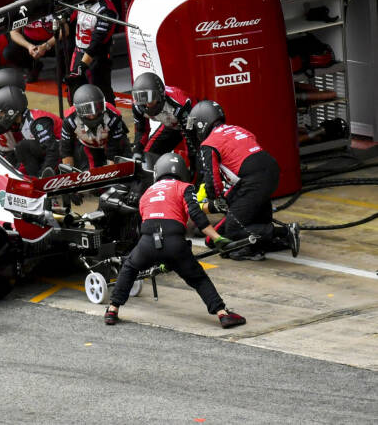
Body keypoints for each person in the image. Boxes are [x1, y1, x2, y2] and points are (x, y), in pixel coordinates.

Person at [104, 152, 246, 329]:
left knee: (130, 267)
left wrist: (158, 257)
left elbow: (143, 224)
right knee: (198, 278)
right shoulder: (184, 187)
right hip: (175, 243)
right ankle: (223, 314)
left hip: (147, 241)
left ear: (158, 172)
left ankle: (112, 310)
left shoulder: (148, 192)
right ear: (182, 171)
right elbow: (196, 215)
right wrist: (216, 237)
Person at [189, 100, 300, 261]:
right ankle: (269, 242)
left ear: (201, 124)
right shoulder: (238, 129)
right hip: (270, 171)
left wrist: (217, 201)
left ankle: (285, 232)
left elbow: (213, 182)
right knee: (214, 240)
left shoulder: (208, 144)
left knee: (233, 230)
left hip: (252, 181)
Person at [63, 0, 118, 103]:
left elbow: (96, 43)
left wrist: (82, 65)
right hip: (78, 51)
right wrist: (62, 18)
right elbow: (69, 14)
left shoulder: (106, 11)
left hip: (97, 57)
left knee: (101, 93)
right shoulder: (81, 1)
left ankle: (112, 121)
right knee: (73, 90)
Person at [3, 0, 61, 81]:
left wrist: (46, 45)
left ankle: (63, 70)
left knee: (68, 44)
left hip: (51, 42)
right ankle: (32, 67)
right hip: (31, 44)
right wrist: (29, 46)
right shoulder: (18, 7)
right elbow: (14, 33)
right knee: (9, 52)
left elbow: (64, 30)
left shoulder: (51, 3)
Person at [60, 84, 131, 170]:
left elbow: (114, 147)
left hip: (113, 144)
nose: (93, 115)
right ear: (78, 110)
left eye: (97, 107)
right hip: (87, 146)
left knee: (124, 169)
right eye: (87, 109)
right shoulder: (69, 120)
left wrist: (111, 171)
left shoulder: (114, 116)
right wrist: (68, 172)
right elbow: (66, 149)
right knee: (88, 172)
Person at [130, 72, 197, 165]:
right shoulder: (137, 107)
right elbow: (141, 130)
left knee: (195, 155)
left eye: (148, 98)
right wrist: (137, 150)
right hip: (171, 125)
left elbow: (190, 133)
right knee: (149, 154)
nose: (146, 104)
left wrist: (193, 160)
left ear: (159, 95)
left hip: (193, 123)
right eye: (141, 99)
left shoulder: (179, 103)